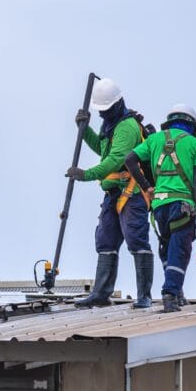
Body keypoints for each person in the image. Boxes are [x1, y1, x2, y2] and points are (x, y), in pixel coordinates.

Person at [65, 78, 155, 308]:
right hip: (113, 193)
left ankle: (144, 296)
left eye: (105, 109)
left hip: (132, 193)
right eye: (100, 110)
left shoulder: (127, 127)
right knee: (106, 240)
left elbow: (115, 160)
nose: (102, 114)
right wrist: (84, 130)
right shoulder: (111, 125)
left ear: (116, 104)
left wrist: (86, 174)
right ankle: (101, 294)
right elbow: (103, 150)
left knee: (136, 239)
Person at [125, 104, 196, 313]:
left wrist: (146, 186)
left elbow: (130, 160)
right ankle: (170, 295)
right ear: (191, 125)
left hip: (159, 207)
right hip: (182, 205)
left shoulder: (154, 140)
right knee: (179, 251)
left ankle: (177, 292)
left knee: (167, 248)